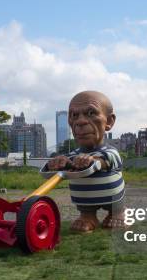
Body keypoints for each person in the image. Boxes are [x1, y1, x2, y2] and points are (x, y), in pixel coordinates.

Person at [46, 90, 125, 232]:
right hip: (85, 201)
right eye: (74, 115)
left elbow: (106, 161)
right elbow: (67, 163)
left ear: (109, 121)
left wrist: (94, 160)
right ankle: (87, 216)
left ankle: (118, 213)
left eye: (91, 113)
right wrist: (58, 163)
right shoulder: (74, 155)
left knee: (116, 207)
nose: (80, 121)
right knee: (86, 211)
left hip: (113, 199)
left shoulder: (110, 151)